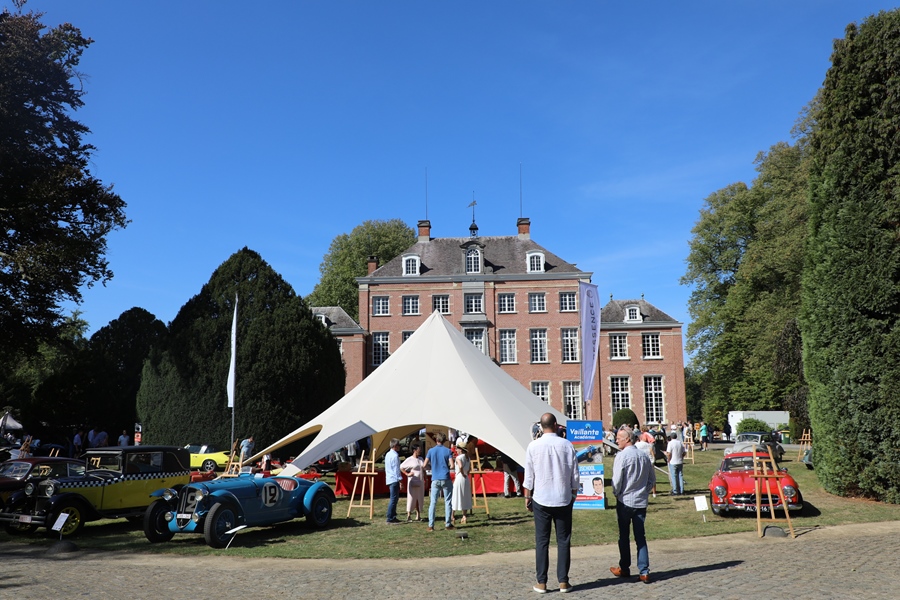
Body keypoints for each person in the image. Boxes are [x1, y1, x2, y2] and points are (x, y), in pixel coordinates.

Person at [523, 412, 579, 594]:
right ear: (556, 425)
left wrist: (527, 497)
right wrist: (573, 494)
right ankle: (563, 581)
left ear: (541, 426)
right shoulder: (567, 445)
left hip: (541, 497)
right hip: (562, 497)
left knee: (542, 541)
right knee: (563, 540)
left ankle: (542, 582)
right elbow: (575, 474)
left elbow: (529, 476)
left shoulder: (533, 446)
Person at [610, 426, 655, 584]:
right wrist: (644, 491)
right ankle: (644, 570)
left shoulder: (622, 456)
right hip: (640, 501)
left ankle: (625, 567)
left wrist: (617, 493)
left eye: (619, 438)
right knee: (640, 536)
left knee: (624, 536)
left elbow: (617, 481)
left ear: (627, 439)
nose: (616, 440)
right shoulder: (644, 456)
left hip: (625, 501)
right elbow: (652, 480)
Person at [423, 431, 454, 532]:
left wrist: (431, 467)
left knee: (433, 502)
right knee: (448, 501)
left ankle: (431, 525)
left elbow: (424, 465)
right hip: (445, 477)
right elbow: (452, 465)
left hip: (435, 478)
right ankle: (448, 523)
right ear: (444, 441)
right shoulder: (448, 451)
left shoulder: (431, 451)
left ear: (436, 440)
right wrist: (447, 467)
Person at [401, 443, 425, 521]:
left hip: (420, 481)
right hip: (413, 481)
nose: (420, 451)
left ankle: (418, 515)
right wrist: (407, 474)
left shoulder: (421, 459)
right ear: (414, 450)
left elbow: (423, 469)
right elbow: (401, 467)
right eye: (419, 450)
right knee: (411, 497)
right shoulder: (410, 459)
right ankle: (409, 515)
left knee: (419, 497)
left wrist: (426, 479)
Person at [451, 438, 473, 524]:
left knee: (455, 496)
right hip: (466, 478)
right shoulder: (468, 458)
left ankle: (452, 516)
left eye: (457, 448)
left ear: (461, 449)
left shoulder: (458, 458)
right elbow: (469, 468)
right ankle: (464, 516)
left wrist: (462, 472)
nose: (456, 450)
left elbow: (460, 466)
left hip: (460, 477)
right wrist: (466, 473)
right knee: (465, 497)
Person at [384, 438, 402, 524]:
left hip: (389, 478)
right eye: (399, 445)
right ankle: (390, 517)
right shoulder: (395, 456)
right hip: (394, 478)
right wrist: (400, 480)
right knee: (394, 499)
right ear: (395, 446)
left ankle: (393, 516)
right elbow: (396, 469)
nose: (400, 447)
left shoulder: (388, 454)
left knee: (394, 498)